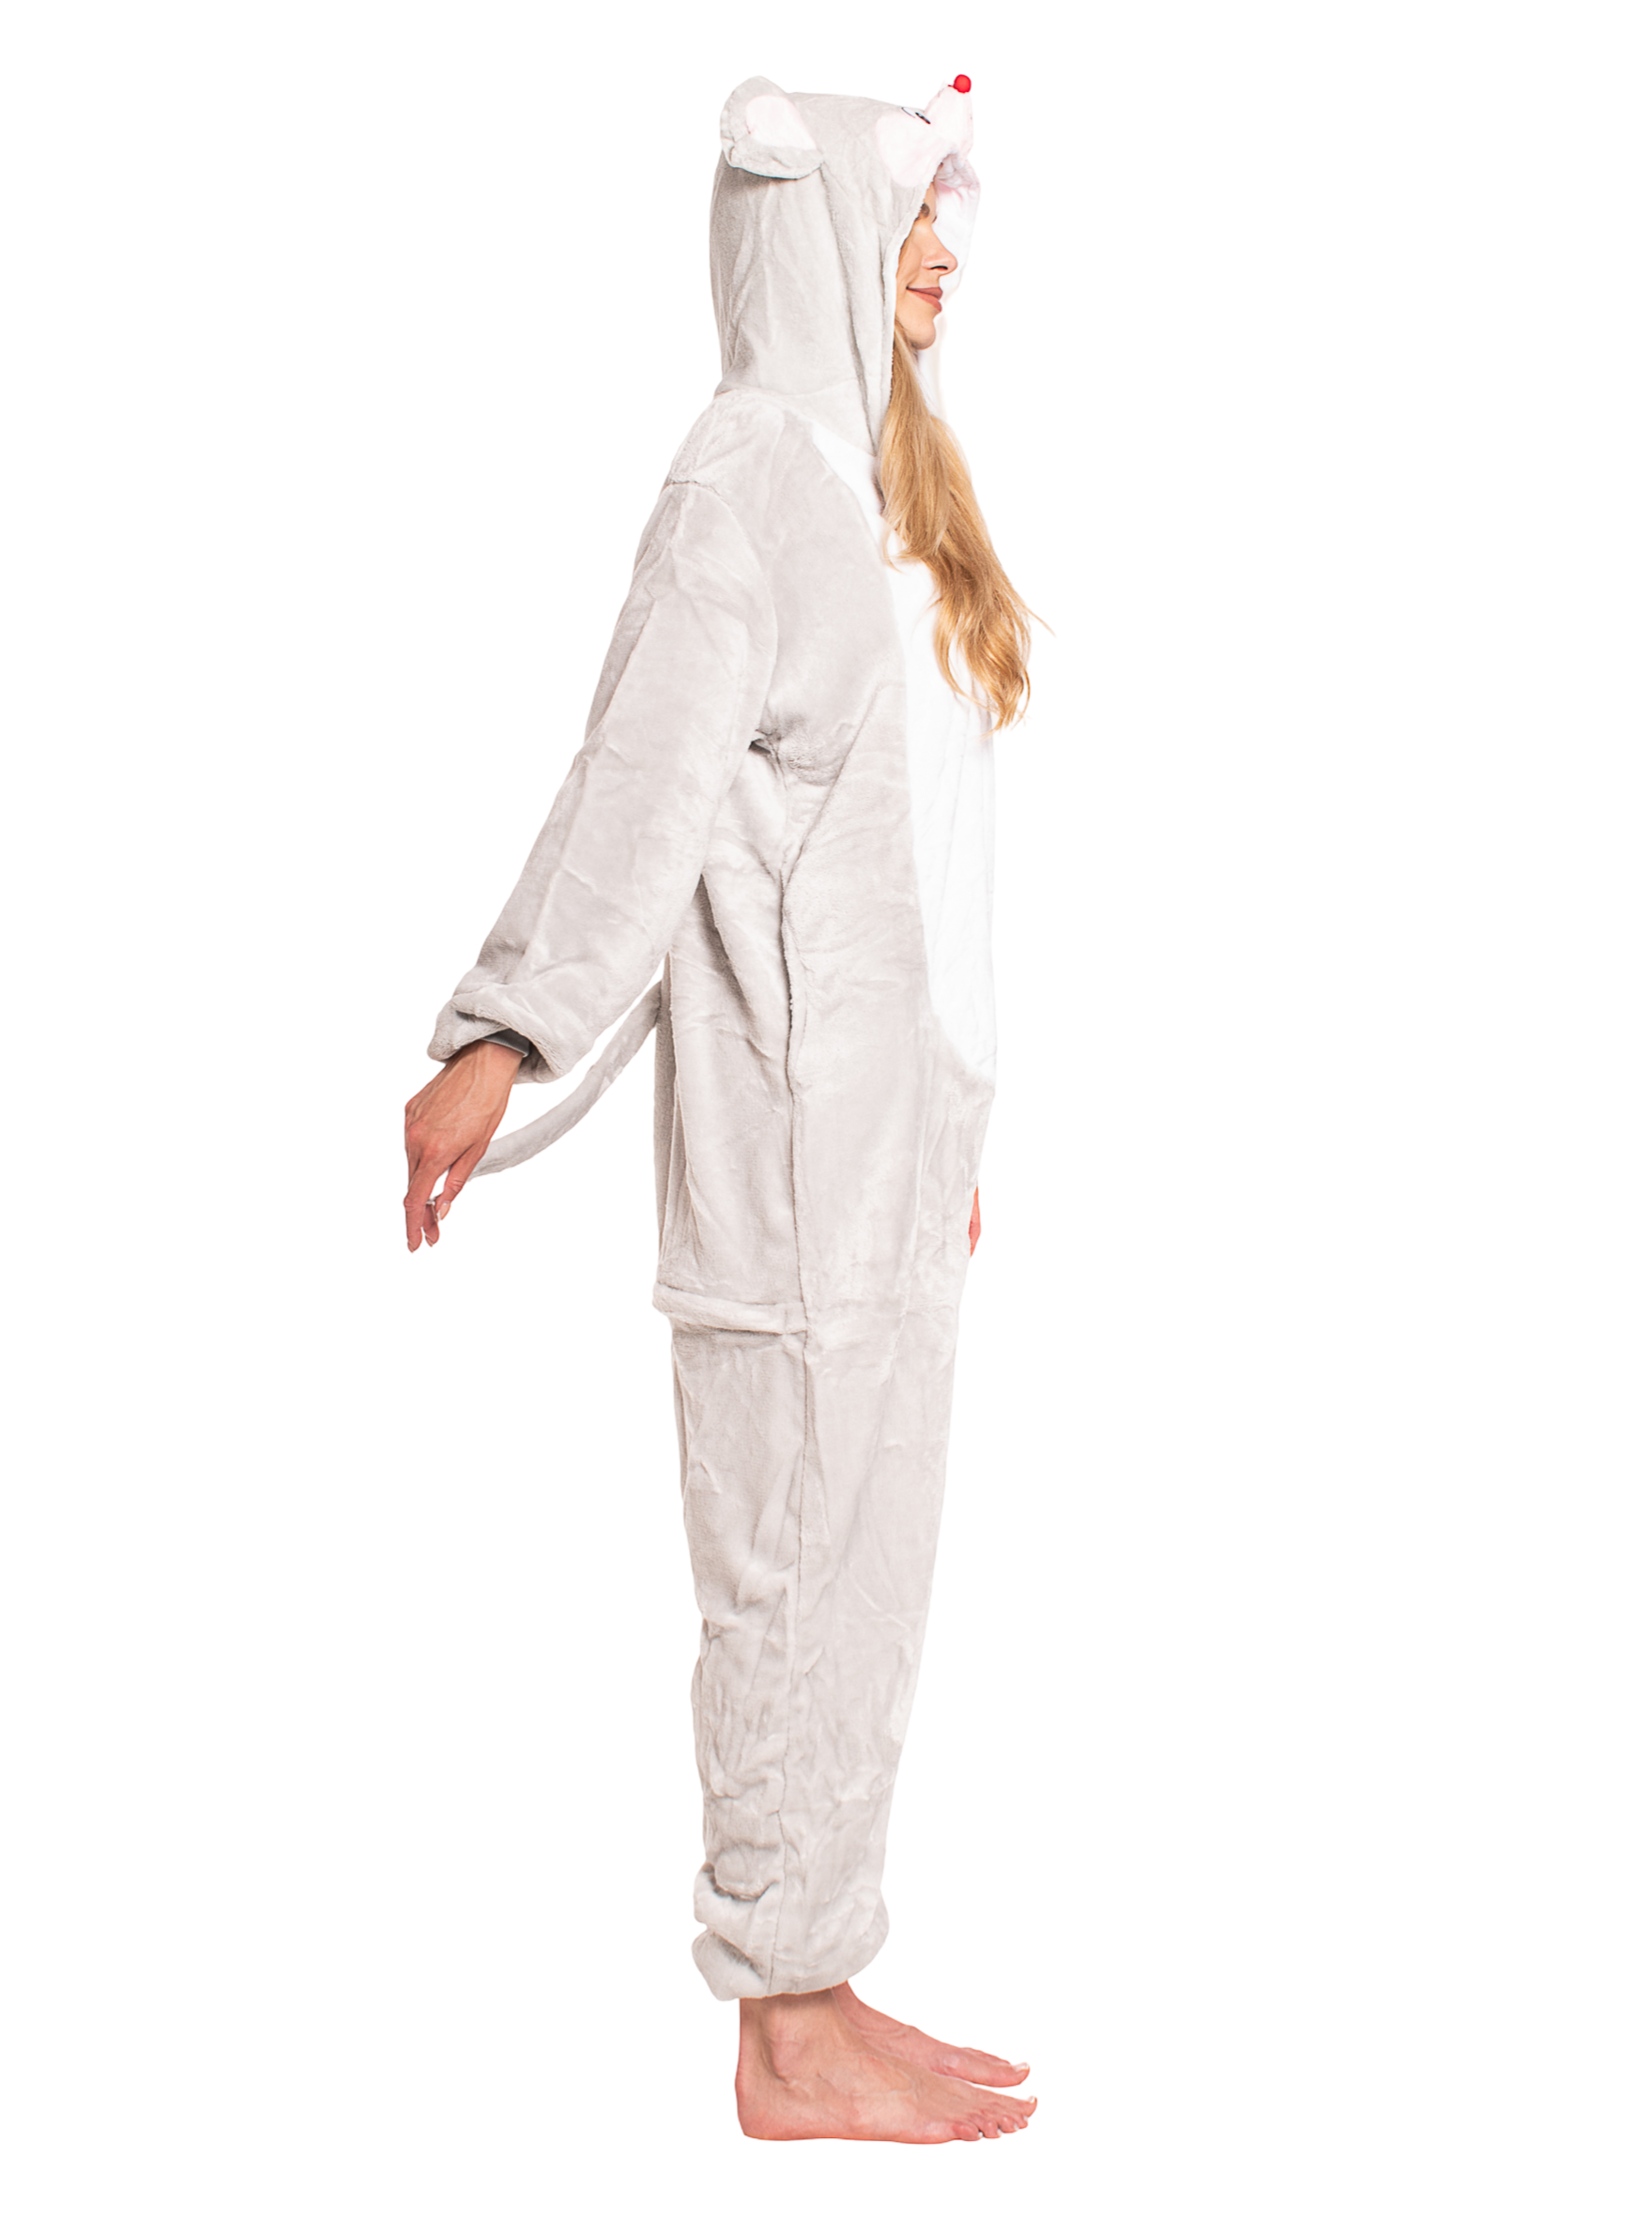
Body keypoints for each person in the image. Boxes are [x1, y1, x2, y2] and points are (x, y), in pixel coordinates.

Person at [402, 75, 1039, 2145]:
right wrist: (506, 1030)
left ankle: (820, 1970)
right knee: (781, 1577)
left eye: (948, 217)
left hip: (887, 1157)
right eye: (907, 212)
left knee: (868, 1581)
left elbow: (928, 847)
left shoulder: (882, 478)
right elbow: (641, 778)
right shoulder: (752, 477)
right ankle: (777, 2029)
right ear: (809, 223)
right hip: (777, 1157)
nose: (941, 252)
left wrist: (947, 1124)